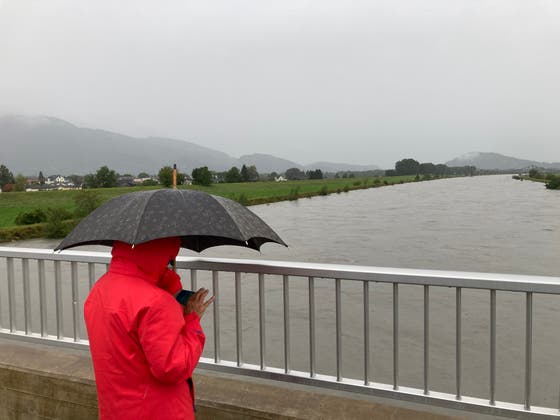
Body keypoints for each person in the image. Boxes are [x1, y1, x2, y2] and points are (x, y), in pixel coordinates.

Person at [84, 237, 214, 420]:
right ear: (161, 252)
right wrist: (193, 320)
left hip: (116, 409)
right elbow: (173, 368)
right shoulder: (157, 303)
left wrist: (166, 281)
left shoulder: (99, 290)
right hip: (159, 411)